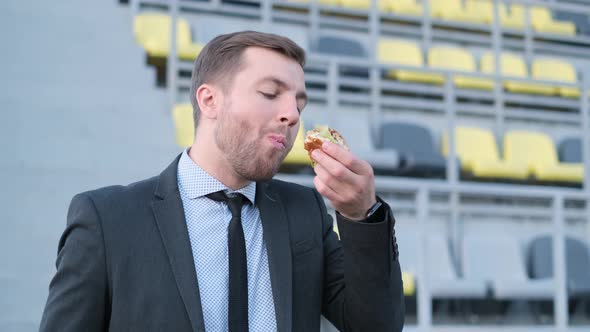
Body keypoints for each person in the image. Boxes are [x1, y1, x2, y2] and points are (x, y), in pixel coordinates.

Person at [39, 31, 404, 332]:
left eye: (299, 103)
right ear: (209, 100)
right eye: (270, 93)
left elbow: (376, 326)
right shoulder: (107, 220)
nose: (292, 115)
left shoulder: (304, 211)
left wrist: (362, 215)